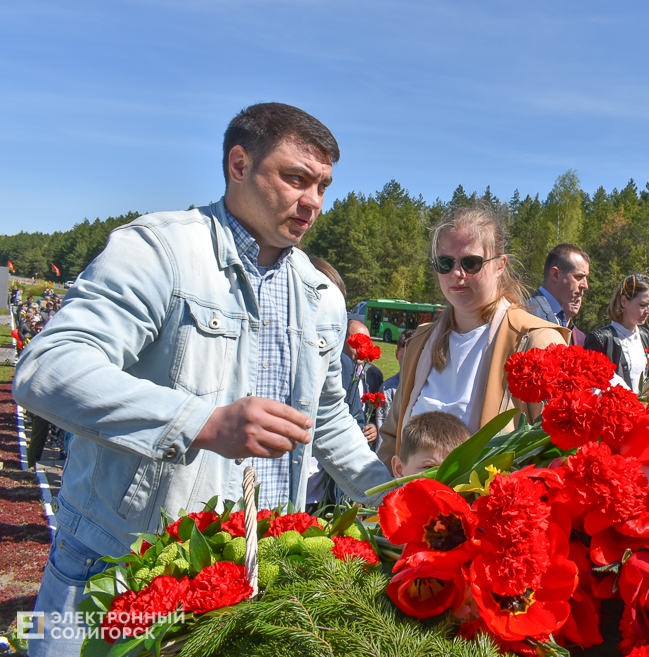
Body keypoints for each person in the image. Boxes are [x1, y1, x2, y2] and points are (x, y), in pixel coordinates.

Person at [13, 102, 392, 656]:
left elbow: (327, 420)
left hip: (243, 582)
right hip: (116, 569)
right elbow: (50, 367)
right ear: (238, 164)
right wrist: (201, 422)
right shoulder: (158, 250)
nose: (312, 201)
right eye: (295, 178)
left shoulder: (322, 296)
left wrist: (400, 502)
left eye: (323, 186)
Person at [377, 204, 569, 471]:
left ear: (501, 265)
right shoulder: (419, 343)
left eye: (471, 262)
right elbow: (391, 439)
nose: (457, 273)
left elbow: (561, 451)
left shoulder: (538, 343)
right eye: (445, 263)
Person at [584, 274, 649, 394]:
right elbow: (588, 387)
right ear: (624, 302)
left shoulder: (644, 336)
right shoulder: (600, 339)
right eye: (643, 305)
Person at [525, 244, 590, 346]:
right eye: (578, 277)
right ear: (555, 274)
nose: (585, 285)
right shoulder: (530, 314)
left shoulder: (559, 316)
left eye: (586, 278)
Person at [391, 410, 471, 477]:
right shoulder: (388, 496)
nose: (441, 478)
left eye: (453, 471)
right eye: (429, 467)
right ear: (399, 468)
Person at [379, 327, 416, 424]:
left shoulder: (429, 386)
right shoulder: (388, 388)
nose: (408, 361)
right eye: (404, 356)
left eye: (413, 356)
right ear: (396, 354)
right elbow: (383, 424)